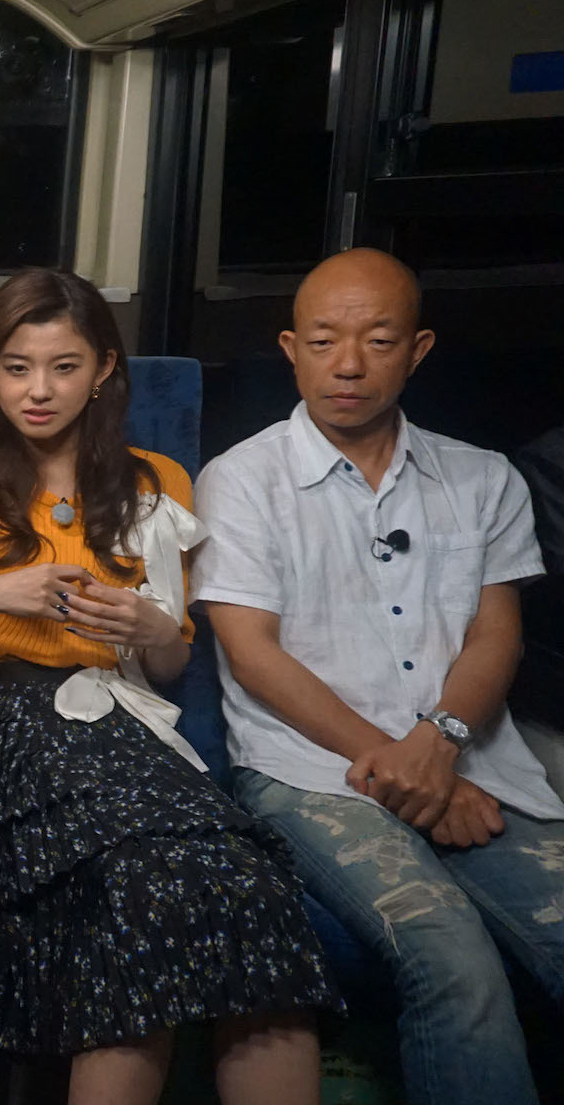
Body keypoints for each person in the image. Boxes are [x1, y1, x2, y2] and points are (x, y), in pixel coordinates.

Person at [0, 268, 337, 1102]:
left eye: (64, 367)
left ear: (103, 371)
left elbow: (170, 666)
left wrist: (154, 629)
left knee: (252, 886)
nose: (38, 391)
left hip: (123, 718)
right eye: (17, 368)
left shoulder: (158, 483)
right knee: (141, 883)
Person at [193, 247, 564, 1105]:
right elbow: (254, 655)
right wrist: (404, 765)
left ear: (418, 350)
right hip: (310, 772)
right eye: (324, 341)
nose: (349, 364)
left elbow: (496, 636)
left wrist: (439, 744)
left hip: (472, 763)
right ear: (292, 350)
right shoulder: (241, 480)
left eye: (379, 340)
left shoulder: (483, 479)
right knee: (454, 963)